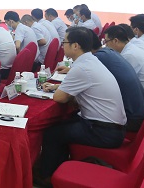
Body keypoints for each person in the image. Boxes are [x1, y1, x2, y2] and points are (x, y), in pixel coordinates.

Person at [37, 27, 126, 180]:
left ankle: (47, 176)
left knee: (52, 133)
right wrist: (58, 87)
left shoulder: (81, 68)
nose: (62, 46)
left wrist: (59, 90)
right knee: (63, 123)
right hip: (111, 127)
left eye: (65, 42)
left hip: (104, 132)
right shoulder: (91, 60)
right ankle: (57, 166)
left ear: (75, 46)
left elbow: (59, 98)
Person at [105, 25, 144, 100]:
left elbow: (120, 81)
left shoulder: (128, 55)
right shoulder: (131, 48)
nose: (106, 45)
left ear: (116, 41)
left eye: (106, 41)